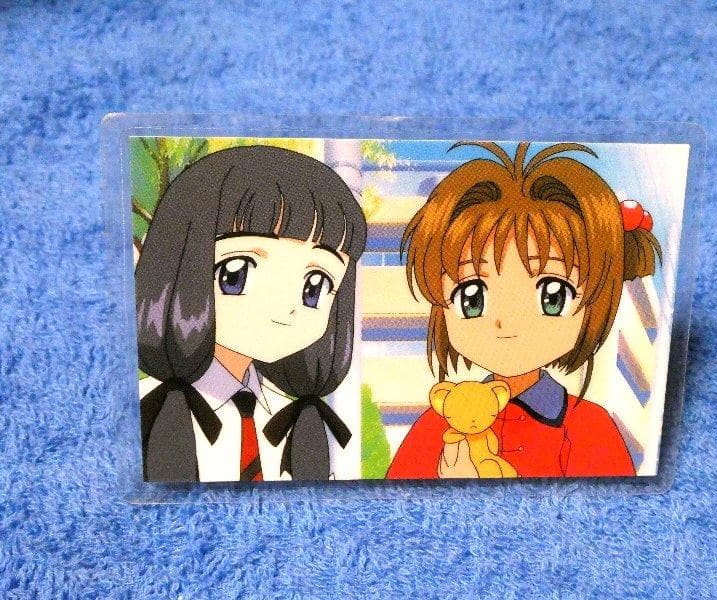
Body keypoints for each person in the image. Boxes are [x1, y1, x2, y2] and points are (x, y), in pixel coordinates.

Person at [386, 142, 661, 478]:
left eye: (552, 296)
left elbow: (610, 506)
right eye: (472, 297)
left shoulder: (590, 428)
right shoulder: (435, 427)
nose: (506, 322)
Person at [136, 145, 366, 482]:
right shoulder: (138, 410)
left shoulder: (295, 419)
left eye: (315, 285)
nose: (285, 306)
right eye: (237, 272)